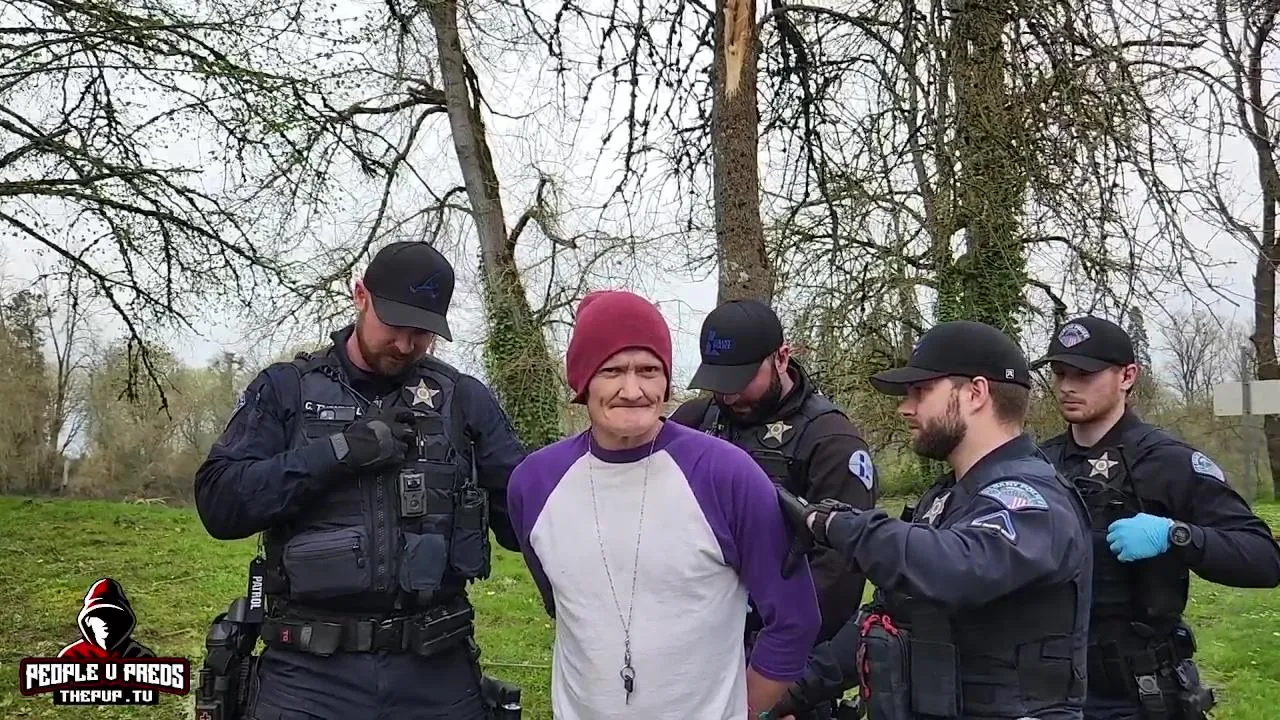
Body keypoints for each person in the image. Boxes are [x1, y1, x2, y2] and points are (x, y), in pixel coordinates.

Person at [193, 241, 527, 720]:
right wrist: (339, 453)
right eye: (395, 325)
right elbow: (220, 503)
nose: (406, 345)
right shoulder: (287, 390)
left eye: (422, 332)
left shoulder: (463, 399)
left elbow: (527, 519)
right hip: (308, 676)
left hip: (435, 670)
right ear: (360, 296)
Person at [506, 289, 822, 719]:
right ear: (582, 381)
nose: (632, 390)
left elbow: (794, 617)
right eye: (612, 370)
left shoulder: (726, 474)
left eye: (649, 370)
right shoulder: (534, 483)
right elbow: (562, 604)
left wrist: (741, 709)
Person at [772, 319, 1094, 720]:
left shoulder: (1033, 498)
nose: (905, 408)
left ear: (975, 393)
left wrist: (839, 525)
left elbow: (957, 567)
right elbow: (888, 615)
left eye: (921, 391)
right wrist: (790, 694)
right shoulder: (947, 498)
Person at [1034, 315, 1280, 720]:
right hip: (1051, 690)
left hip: (1137, 691)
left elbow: (1263, 558)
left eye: (1084, 374)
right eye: (1060, 373)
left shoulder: (1168, 462)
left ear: (1128, 376)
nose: (1067, 386)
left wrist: (1176, 535)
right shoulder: (1040, 463)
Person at [668, 299, 878, 653]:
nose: (730, 396)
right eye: (719, 382)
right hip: (693, 634)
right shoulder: (694, 421)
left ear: (781, 358)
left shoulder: (831, 441)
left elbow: (838, 574)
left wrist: (772, 654)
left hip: (783, 646)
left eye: (741, 379)